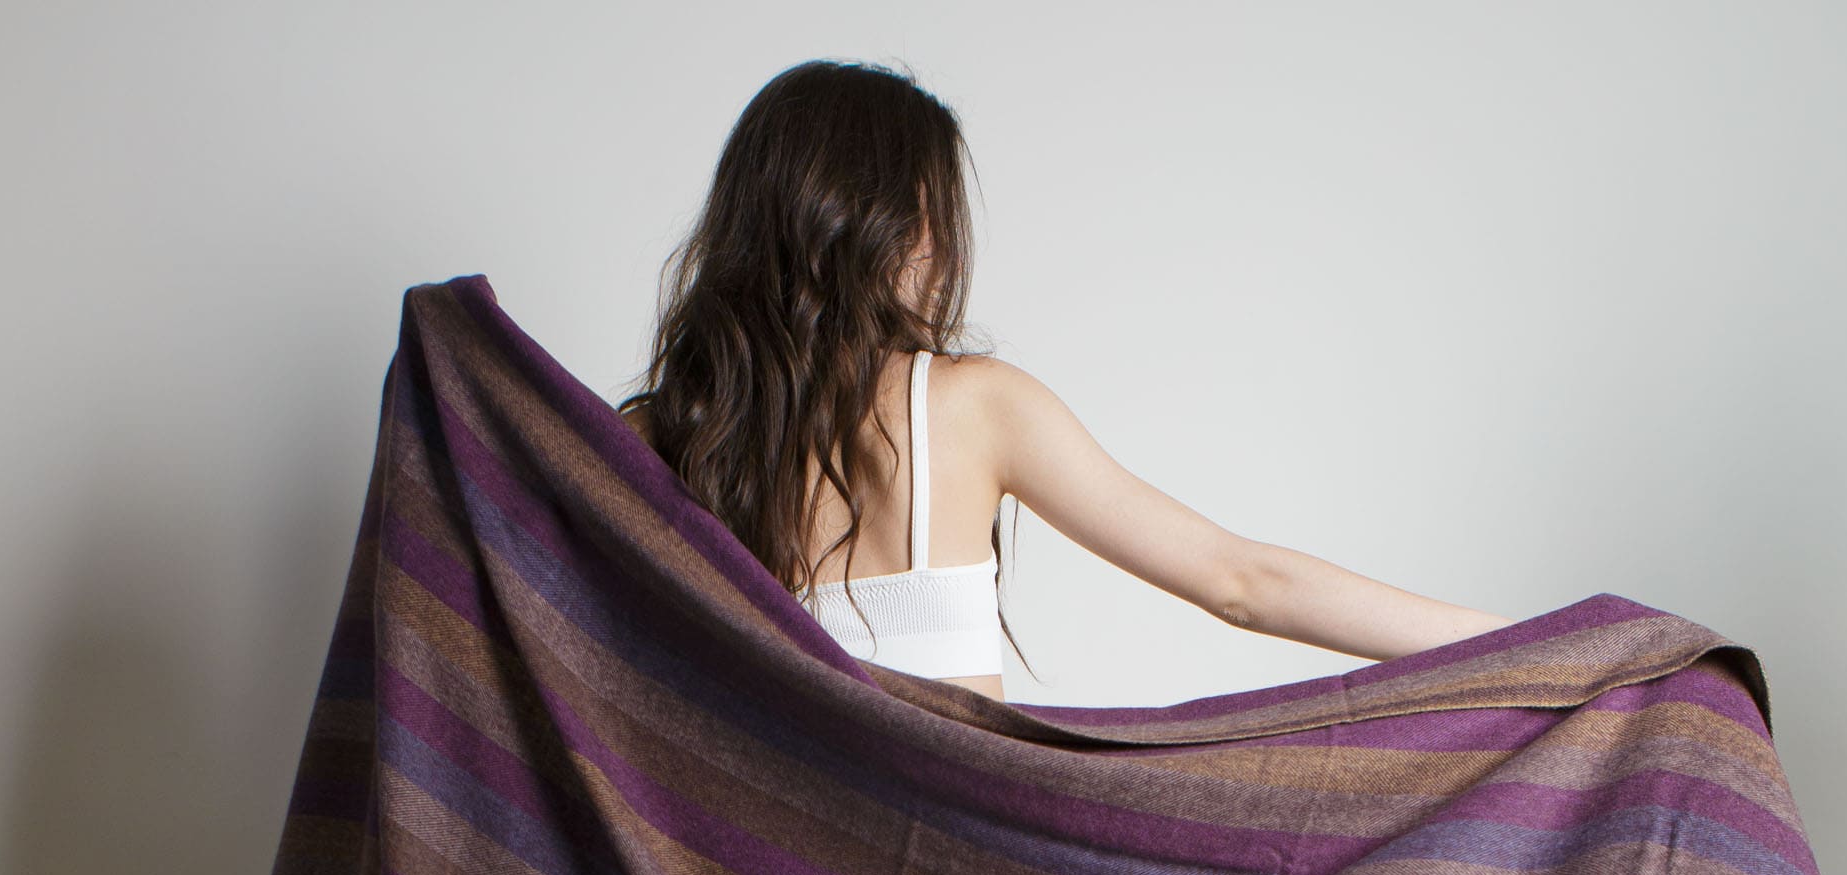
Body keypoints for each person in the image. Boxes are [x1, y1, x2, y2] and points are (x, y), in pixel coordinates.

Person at [615, 59, 1511, 704]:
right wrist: (1525, 650)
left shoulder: (653, 438)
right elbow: (1241, 581)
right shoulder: (974, 409)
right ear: (893, 226)